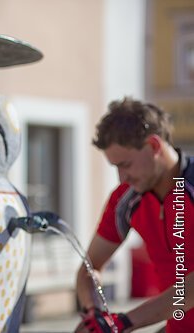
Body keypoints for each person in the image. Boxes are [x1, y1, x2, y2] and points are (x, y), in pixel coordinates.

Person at [75, 97, 194, 332]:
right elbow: (89, 269)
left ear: (154, 146)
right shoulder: (125, 199)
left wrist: (125, 322)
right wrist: (94, 313)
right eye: (115, 167)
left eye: (126, 164)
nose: (122, 177)